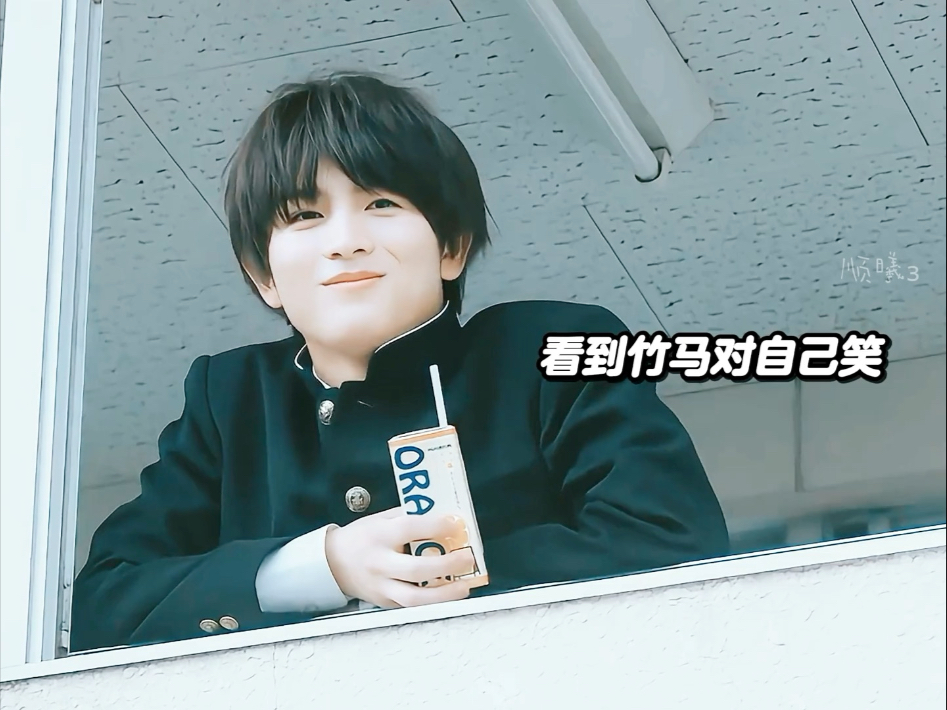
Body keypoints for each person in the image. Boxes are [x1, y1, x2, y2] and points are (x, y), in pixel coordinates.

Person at [71, 72, 729, 653]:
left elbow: (673, 543)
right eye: (304, 214)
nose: (346, 241)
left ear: (451, 246)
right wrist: (325, 565)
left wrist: (425, 580)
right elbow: (104, 607)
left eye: (381, 203)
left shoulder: (548, 349)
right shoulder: (232, 399)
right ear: (263, 275)